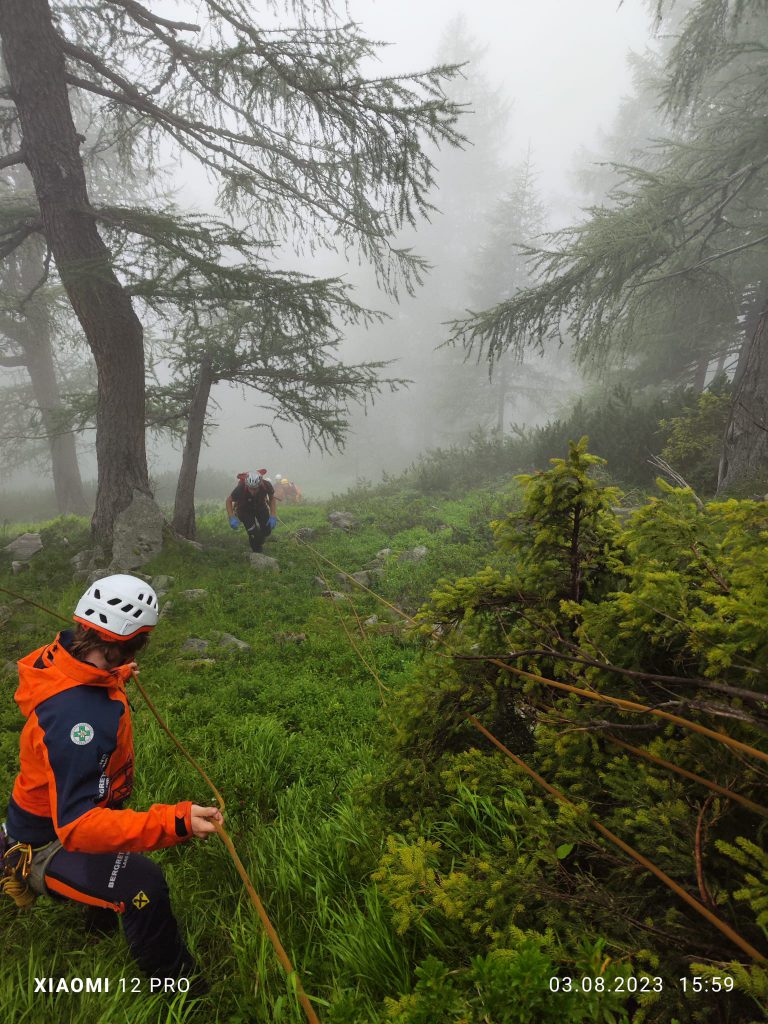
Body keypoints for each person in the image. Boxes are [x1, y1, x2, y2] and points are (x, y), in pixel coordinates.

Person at [1, 574, 223, 985]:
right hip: (45, 842)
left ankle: (97, 926)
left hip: (52, 814)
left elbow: (87, 678)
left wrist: (115, 674)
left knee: (114, 831)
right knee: (144, 885)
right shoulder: (78, 720)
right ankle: (179, 988)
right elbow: (79, 827)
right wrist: (174, 821)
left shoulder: (70, 660)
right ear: (133, 641)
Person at [226, 469, 277, 552]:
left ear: (260, 484)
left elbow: (272, 498)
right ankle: (257, 551)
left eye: (255, 489)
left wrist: (273, 515)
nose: (253, 491)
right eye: (250, 489)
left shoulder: (266, 485)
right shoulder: (241, 488)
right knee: (253, 534)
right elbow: (229, 500)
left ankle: (260, 537)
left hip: (260, 506)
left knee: (267, 531)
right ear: (247, 485)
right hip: (245, 510)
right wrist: (231, 517)